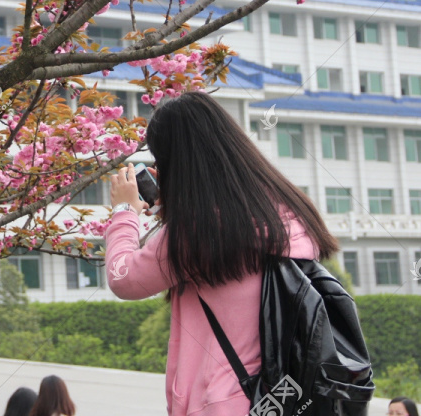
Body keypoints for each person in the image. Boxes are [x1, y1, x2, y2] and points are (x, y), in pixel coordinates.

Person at [106, 91, 339, 416]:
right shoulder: (289, 209)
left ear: (177, 162)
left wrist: (123, 211)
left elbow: (124, 278)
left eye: (162, 161)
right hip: (288, 397)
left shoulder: (194, 231)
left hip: (221, 403)